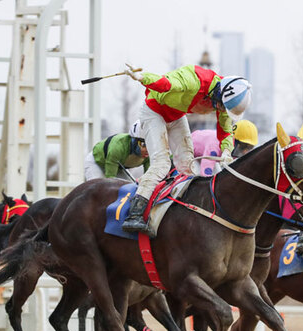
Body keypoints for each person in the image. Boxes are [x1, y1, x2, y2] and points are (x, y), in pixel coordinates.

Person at [121, 64, 252, 234]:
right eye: (221, 106)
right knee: (161, 164)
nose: (220, 110)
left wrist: (227, 150)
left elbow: (226, 130)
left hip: (176, 115)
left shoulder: (224, 98)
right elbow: (165, 84)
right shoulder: (195, 79)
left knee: (188, 166)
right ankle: (135, 213)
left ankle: (180, 210)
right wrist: (142, 77)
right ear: (219, 93)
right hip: (154, 111)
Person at [84, 120, 149, 181]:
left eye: (150, 145)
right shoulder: (118, 148)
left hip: (117, 167)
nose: (148, 150)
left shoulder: (151, 154)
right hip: (96, 162)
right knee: (99, 186)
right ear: (134, 141)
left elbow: (149, 180)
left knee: (130, 187)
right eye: (143, 144)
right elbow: (110, 180)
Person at [192, 119, 259, 176]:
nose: (245, 151)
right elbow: (207, 165)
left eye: (250, 147)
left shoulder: (233, 147)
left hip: (206, 156)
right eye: (244, 146)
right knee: (197, 176)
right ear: (233, 140)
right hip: (190, 151)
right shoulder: (216, 145)